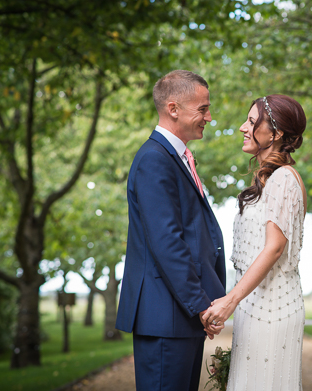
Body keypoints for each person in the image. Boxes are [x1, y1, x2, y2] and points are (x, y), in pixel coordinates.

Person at [115, 70, 226, 391]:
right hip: (166, 316)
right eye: (202, 108)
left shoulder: (175, 158)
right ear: (173, 108)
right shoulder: (155, 159)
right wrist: (201, 305)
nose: (208, 116)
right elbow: (167, 243)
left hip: (179, 317)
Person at [201, 94, 307, 390]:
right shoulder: (268, 180)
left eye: (251, 121)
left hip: (273, 306)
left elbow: (274, 248)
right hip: (254, 304)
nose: (242, 128)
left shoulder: (284, 179)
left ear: (276, 133)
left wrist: (229, 301)